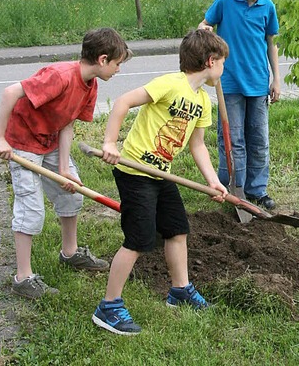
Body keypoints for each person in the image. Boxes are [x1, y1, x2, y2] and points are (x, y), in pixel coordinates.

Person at [92, 29, 229, 336]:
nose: (223, 68)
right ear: (210, 61)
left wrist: (214, 182)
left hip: (161, 174)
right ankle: (109, 306)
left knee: (177, 229)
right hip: (135, 172)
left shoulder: (202, 101)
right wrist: (111, 143)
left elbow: (197, 146)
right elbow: (123, 102)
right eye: (222, 62)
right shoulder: (171, 83)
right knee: (139, 240)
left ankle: (180, 291)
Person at [0, 27, 131, 299]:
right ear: (103, 60)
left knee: (72, 194)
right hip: (23, 141)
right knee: (31, 209)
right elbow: (10, 93)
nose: (119, 70)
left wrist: (64, 168)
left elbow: (67, 124)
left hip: (51, 140)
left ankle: (70, 253)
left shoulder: (91, 86)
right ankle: (23, 277)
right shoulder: (60, 76)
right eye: (117, 64)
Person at [198, 0, 280, 210]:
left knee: (259, 140)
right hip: (230, 84)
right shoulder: (223, 2)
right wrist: (205, 29)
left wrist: (277, 78)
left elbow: (271, 43)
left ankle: (258, 189)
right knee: (233, 140)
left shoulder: (267, 7)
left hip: (258, 83)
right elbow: (205, 24)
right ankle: (234, 188)